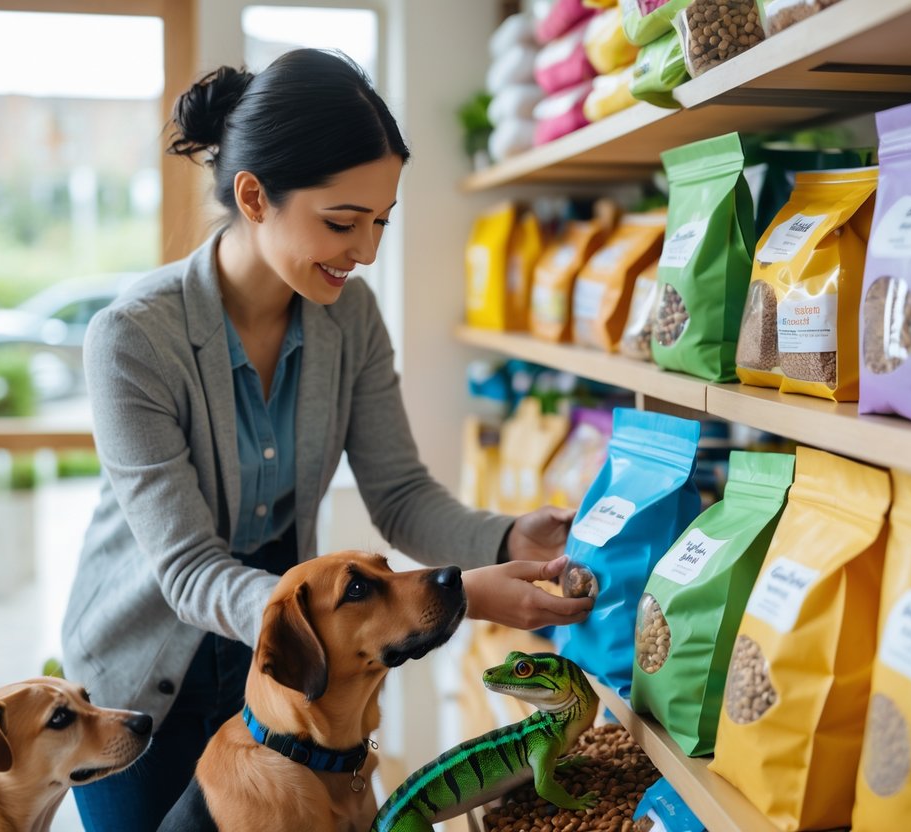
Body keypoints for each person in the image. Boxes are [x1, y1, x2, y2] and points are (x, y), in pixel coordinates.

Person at [60, 48, 594, 831]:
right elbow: (189, 569)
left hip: (295, 671)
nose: (366, 250)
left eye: (380, 221)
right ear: (254, 196)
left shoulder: (351, 319)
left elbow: (399, 493)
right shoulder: (133, 338)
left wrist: (508, 537)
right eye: (342, 222)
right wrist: (452, 601)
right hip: (145, 682)